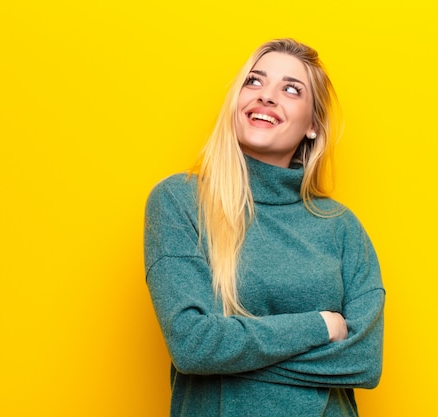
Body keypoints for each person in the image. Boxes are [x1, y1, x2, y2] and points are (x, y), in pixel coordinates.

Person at [143, 38, 385, 417]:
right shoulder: (179, 202)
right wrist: (320, 326)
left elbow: (364, 363)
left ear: (312, 125)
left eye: (291, 89)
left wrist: (231, 355)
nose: (267, 96)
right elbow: (193, 345)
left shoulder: (341, 227)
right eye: (254, 82)